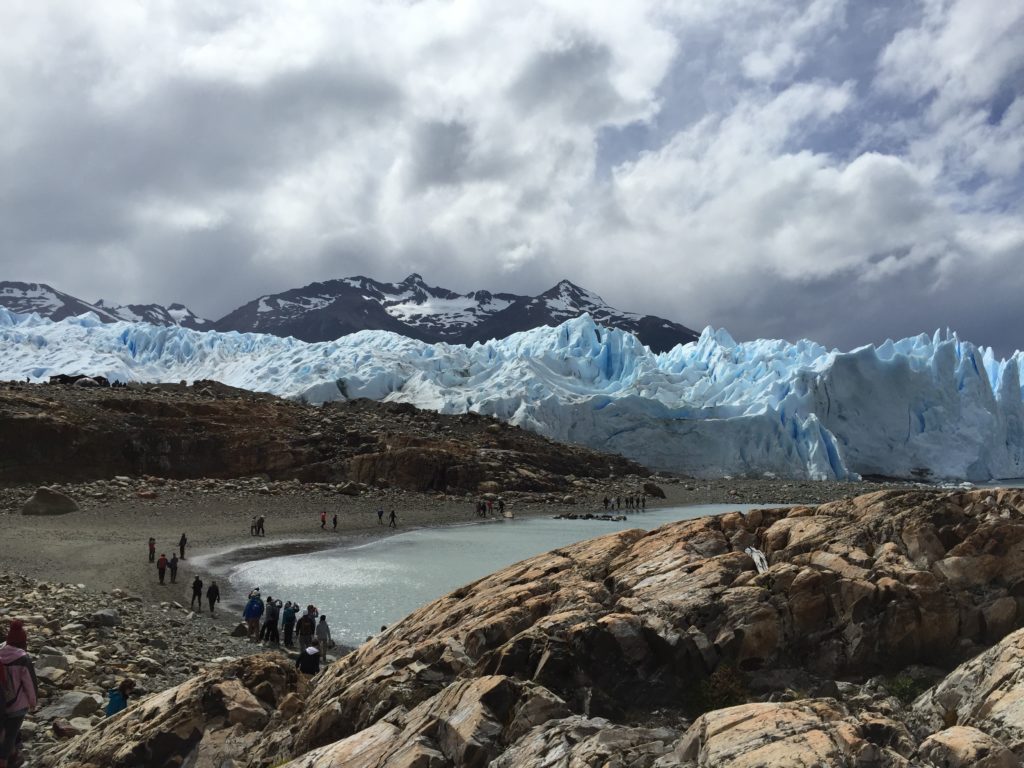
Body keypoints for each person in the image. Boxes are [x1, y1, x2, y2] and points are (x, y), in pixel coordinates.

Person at [1, 620, 39, 768]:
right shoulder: (23, 658)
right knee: (10, 735)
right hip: (17, 705)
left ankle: (13, 755)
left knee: (6, 732)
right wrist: (33, 702)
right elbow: (30, 683)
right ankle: (4, 761)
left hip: (1, 702)